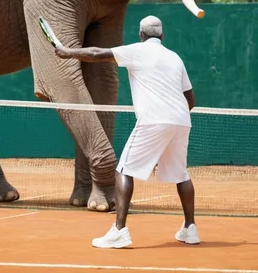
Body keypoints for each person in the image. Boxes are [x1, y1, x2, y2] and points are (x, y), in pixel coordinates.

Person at [54, 15, 199, 248]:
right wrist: (170, 123)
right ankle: (190, 229)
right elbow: (190, 99)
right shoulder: (175, 58)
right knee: (181, 174)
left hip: (154, 119)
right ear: (162, 36)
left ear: (141, 36)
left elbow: (95, 54)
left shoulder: (136, 50)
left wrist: (66, 51)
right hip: (181, 120)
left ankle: (119, 231)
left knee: (124, 170)